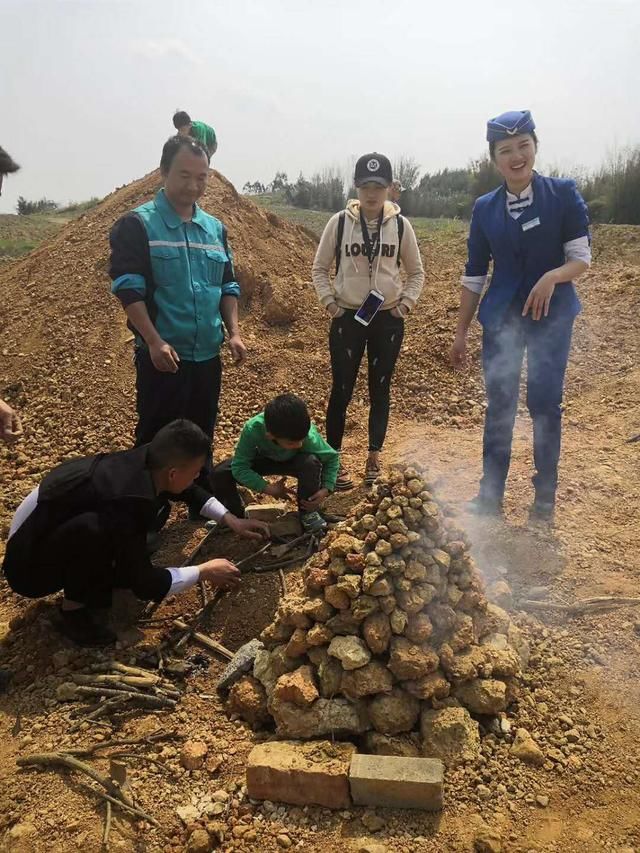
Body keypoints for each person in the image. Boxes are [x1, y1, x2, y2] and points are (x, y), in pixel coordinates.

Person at [2, 420, 269, 646]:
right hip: (28, 569)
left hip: (43, 532)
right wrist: (204, 570)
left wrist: (230, 519)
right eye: (196, 471)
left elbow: (189, 490)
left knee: (138, 541)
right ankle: (75, 612)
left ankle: (102, 574)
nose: (198, 476)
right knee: (104, 537)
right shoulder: (128, 502)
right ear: (174, 472)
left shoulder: (147, 460)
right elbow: (146, 585)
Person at [450, 110, 591, 521]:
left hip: (552, 316)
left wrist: (553, 277)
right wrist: (460, 332)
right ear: (494, 158)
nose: (516, 156)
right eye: (506, 150)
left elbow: (580, 258)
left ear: (535, 147)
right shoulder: (484, 208)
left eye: (523, 146)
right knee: (500, 405)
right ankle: (490, 496)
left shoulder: (563, 194)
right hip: (501, 319)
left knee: (545, 404)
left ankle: (544, 500)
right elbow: (475, 274)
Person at [109, 135, 246, 516]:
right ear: (164, 171)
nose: (193, 185)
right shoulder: (138, 225)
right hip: (163, 357)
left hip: (206, 355)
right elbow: (128, 288)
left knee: (201, 433)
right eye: (184, 175)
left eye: (201, 177)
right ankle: (148, 514)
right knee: (156, 435)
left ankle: (200, 505)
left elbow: (228, 285)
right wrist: (152, 341)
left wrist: (233, 332)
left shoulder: (214, 229)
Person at [312, 153, 424, 489]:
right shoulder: (340, 223)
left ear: (390, 188)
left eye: (378, 186)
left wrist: (405, 305)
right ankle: (333, 461)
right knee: (341, 390)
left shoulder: (401, 226)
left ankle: (374, 457)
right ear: (356, 187)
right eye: (365, 186)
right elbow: (319, 268)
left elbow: (416, 272)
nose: (372, 193)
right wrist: (330, 304)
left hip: (387, 320)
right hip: (348, 317)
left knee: (380, 388)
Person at [211, 394, 340, 534]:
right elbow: (240, 467)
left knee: (310, 462)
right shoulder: (253, 429)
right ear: (270, 435)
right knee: (221, 472)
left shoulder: (307, 436)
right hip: (264, 459)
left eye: (302, 440)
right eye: (291, 442)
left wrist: (326, 488)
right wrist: (268, 488)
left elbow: (332, 458)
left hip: (295, 461)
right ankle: (234, 515)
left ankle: (308, 513)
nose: (299, 445)